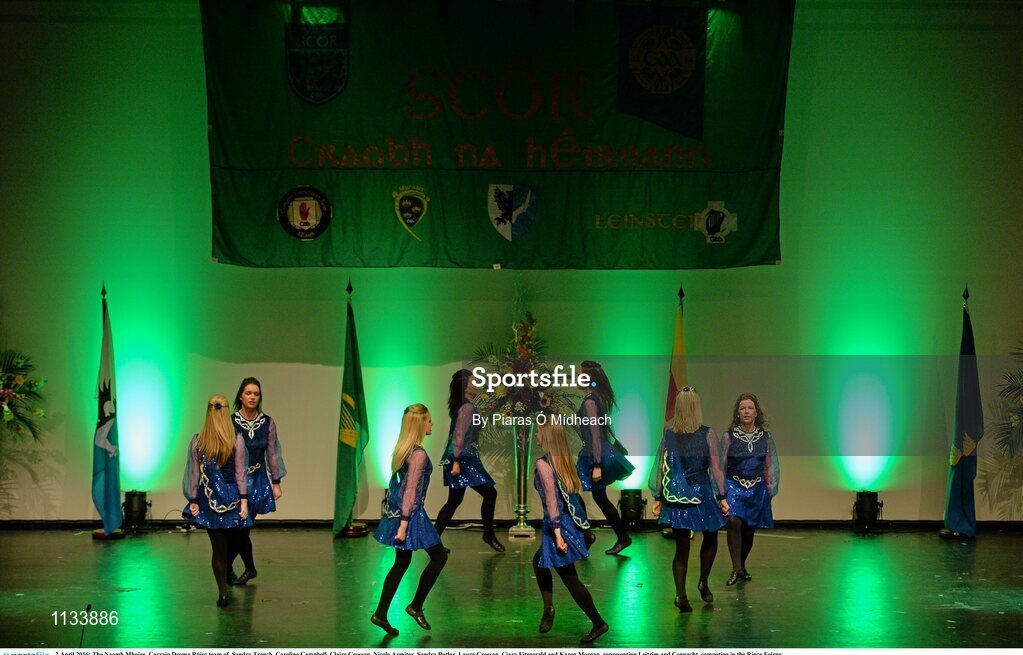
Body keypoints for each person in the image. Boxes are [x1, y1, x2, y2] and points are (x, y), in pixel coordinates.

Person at [370, 404, 448, 636]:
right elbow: (410, 491)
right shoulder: (418, 455)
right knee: (440, 557)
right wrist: (404, 525)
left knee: (402, 563)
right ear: (421, 423)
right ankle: (415, 605)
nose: (432, 424)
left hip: (402, 513)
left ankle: (381, 613)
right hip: (410, 515)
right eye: (429, 420)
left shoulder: (405, 450)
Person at [649, 386, 728, 612]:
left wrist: (658, 496)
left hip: (677, 496)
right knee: (711, 537)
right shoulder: (708, 433)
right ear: (697, 407)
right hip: (701, 493)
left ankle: (681, 596)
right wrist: (722, 496)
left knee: (681, 547)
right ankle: (703, 581)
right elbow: (716, 468)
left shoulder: (669, 432)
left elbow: (662, 465)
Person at [533, 419, 609, 644]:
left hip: (557, 527)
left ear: (546, 436)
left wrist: (557, 533)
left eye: (538, 431)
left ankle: (597, 622)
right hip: (563, 525)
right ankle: (548, 609)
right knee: (538, 563)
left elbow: (552, 500)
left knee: (569, 578)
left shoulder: (544, 464)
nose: (536, 435)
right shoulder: (561, 460)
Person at [182, 394, 251, 607]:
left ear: (208, 412)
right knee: (237, 541)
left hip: (209, 500)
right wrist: (244, 501)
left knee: (218, 550)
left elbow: (194, 475)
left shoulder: (198, 441)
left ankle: (223, 593)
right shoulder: (236, 439)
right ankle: (237, 575)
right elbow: (241, 474)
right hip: (232, 500)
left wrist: (193, 500)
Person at [433, 369, 504, 552]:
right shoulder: (467, 407)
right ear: (465, 386)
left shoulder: (465, 405)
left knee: (454, 501)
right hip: (463, 460)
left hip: (465, 458)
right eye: (474, 381)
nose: (477, 384)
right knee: (489, 493)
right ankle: (488, 534)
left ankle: (432, 542)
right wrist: (456, 461)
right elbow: (458, 436)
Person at [227, 377, 286, 586]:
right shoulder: (230, 421)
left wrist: (276, 482)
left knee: (243, 527)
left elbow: (272, 453)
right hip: (235, 482)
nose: (252, 397)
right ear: (240, 396)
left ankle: (232, 567)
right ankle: (238, 567)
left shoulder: (267, 423)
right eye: (248, 393)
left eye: (256, 393)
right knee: (239, 528)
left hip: (258, 480)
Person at [575, 360, 635, 555]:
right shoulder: (596, 399)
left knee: (572, 490)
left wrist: (598, 464)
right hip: (594, 453)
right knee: (597, 497)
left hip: (594, 455)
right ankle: (619, 537)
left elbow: (595, 434)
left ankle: (587, 534)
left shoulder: (591, 402)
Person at [722, 393, 779, 585]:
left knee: (748, 531)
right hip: (734, 485)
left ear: (756, 413)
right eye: (742, 408)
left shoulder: (765, 437)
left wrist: (769, 489)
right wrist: (720, 492)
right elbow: (720, 465)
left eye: (750, 408)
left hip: (756, 488)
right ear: (737, 413)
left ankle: (742, 566)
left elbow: (770, 465)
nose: (746, 411)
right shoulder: (728, 437)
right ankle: (736, 568)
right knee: (733, 521)